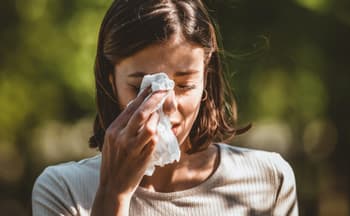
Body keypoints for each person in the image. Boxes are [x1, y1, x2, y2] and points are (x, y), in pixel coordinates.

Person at [32, 0, 298, 215]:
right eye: (141, 89)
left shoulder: (268, 180)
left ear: (207, 78)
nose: (166, 106)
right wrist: (113, 194)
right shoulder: (64, 191)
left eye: (184, 85)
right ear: (111, 82)